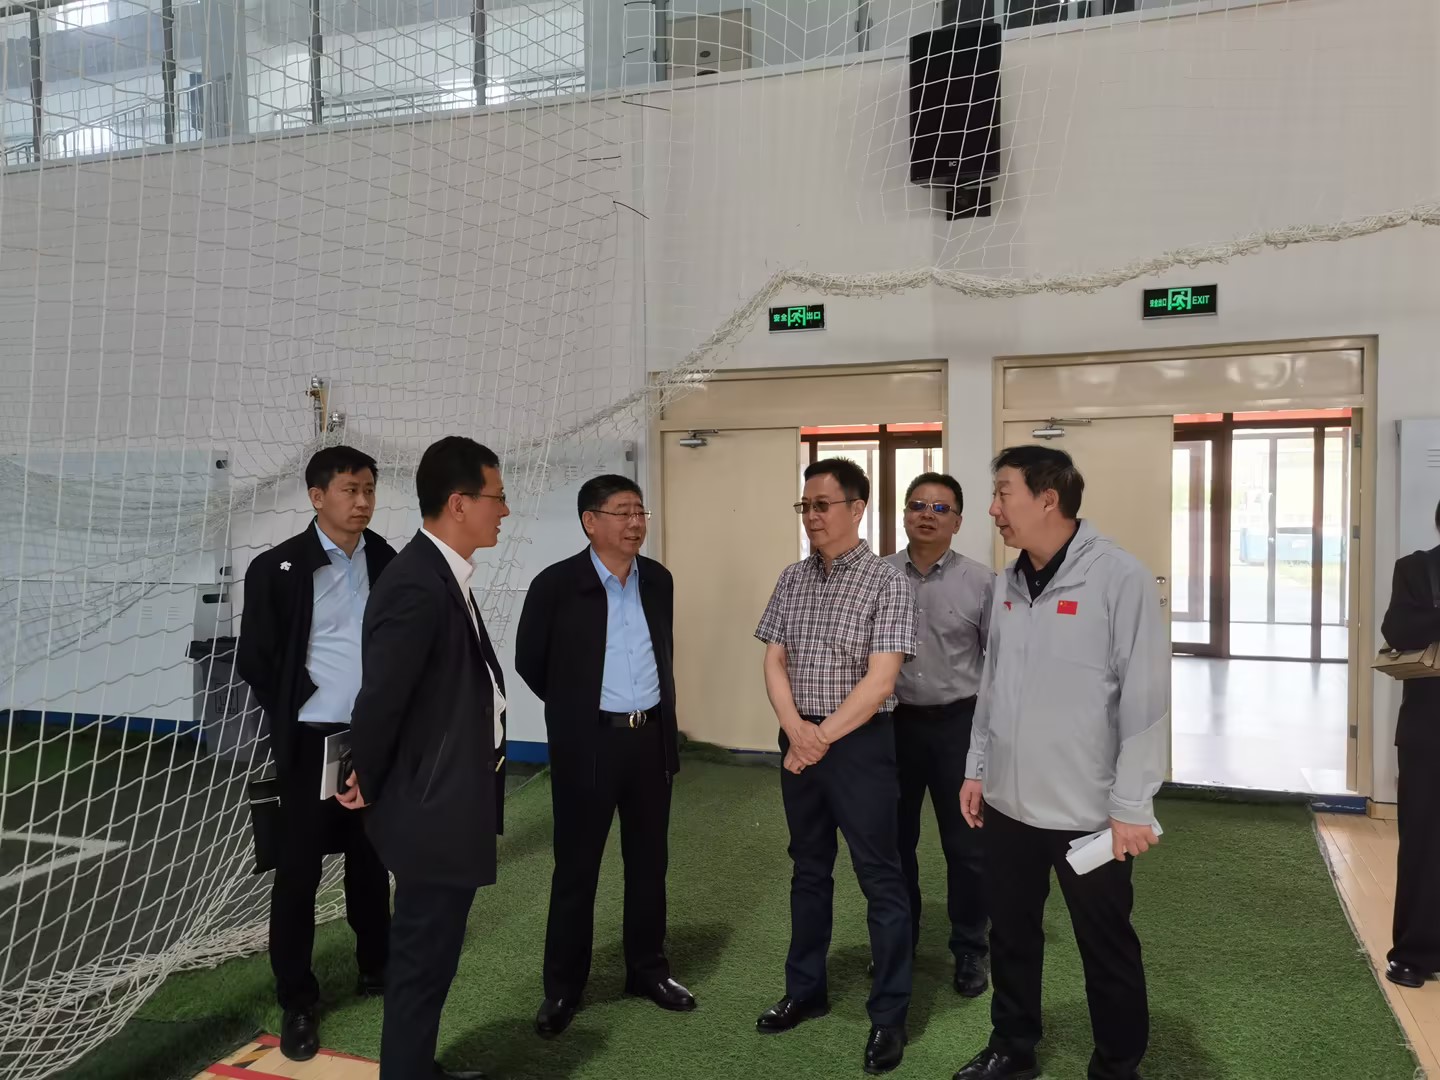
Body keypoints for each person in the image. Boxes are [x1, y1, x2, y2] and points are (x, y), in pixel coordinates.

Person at [952, 445, 1166, 1080]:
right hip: (1009, 803)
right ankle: (1011, 1047)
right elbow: (992, 686)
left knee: (1105, 942)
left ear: (1048, 499)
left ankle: (1117, 1065)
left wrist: (1132, 805)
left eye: (1003, 493)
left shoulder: (1119, 577)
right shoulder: (1007, 582)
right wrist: (977, 767)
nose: (993, 509)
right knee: (1012, 934)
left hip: (1088, 812)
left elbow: (1146, 700)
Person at [347, 436, 510, 1080]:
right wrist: (369, 776)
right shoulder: (416, 582)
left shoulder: (444, 574)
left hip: (451, 799)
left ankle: (417, 1068)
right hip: (431, 807)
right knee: (420, 961)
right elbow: (381, 697)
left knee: (435, 958)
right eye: (496, 497)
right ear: (459, 502)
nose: (504, 510)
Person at [754, 456, 917, 1076]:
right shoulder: (792, 578)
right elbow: (774, 660)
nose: (812, 516)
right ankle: (805, 990)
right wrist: (796, 730)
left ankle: (889, 1015)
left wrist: (818, 737)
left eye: (823, 505)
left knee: (880, 876)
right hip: (799, 739)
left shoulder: (885, 582)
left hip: (859, 745)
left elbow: (881, 682)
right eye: (806, 506)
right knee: (808, 868)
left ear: (857, 508)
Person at [516, 474, 695, 1038]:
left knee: (649, 864)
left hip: (649, 741)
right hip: (589, 744)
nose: (636, 523)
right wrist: (576, 711)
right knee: (577, 868)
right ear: (590, 521)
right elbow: (529, 660)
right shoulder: (556, 584)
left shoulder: (658, 580)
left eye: (640, 512)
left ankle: (648, 971)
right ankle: (563, 988)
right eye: (623, 512)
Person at [236, 446, 396, 1062]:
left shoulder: (387, 559)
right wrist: (305, 701)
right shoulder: (276, 568)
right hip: (309, 742)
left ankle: (377, 967)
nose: (362, 501)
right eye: (350, 490)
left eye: (369, 490)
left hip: (372, 738)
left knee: (370, 860)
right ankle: (298, 1000)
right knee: (298, 872)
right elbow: (256, 657)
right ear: (316, 496)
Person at [883, 472, 993, 997]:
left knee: (966, 847)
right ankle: (898, 942)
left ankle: (970, 948)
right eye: (917, 505)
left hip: (958, 727)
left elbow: (997, 662)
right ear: (905, 514)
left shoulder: (982, 582)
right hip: (893, 726)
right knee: (893, 842)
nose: (927, 515)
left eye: (940, 508)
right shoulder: (878, 576)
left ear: (958, 521)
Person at [1378, 500, 1440, 991]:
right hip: (1429, 729)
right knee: (1422, 840)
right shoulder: (1418, 569)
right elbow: (1398, 630)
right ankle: (1414, 953)